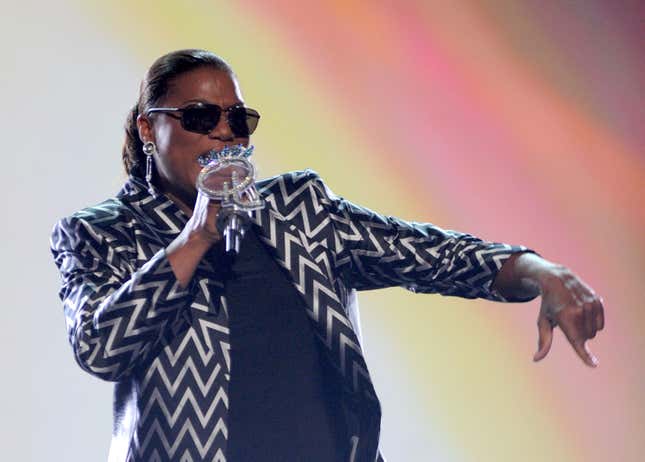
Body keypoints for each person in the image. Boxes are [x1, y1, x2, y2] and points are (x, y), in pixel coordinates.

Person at [50, 49, 605, 462]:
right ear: (150, 127)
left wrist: (540, 271)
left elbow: (428, 253)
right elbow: (100, 349)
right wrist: (195, 237)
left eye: (237, 120)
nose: (224, 134)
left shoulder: (300, 209)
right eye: (200, 117)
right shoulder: (99, 232)